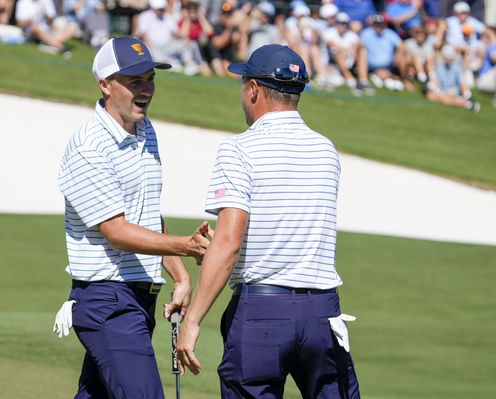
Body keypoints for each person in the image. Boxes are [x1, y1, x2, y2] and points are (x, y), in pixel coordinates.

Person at [177, 44, 361, 398]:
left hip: (262, 311)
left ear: (253, 89)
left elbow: (229, 243)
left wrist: (193, 319)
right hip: (324, 312)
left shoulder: (238, 150)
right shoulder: (326, 149)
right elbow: (290, 223)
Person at [52, 36, 211, 398]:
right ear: (105, 84)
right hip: (107, 301)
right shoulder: (89, 146)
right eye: (134, 81)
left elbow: (146, 213)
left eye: (150, 79)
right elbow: (117, 231)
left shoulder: (145, 130)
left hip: (137, 299)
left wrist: (180, 275)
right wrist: (186, 246)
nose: (146, 89)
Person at [426, 44, 481, 112]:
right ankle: (460, 101)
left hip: (453, 90)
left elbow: (462, 83)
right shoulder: (439, 66)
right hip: (442, 90)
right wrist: (435, 88)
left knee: (446, 99)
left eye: (449, 58)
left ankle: (468, 104)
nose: (448, 60)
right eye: (446, 57)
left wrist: (467, 95)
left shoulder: (456, 67)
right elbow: (438, 81)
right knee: (431, 96)